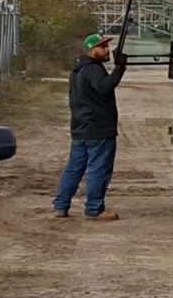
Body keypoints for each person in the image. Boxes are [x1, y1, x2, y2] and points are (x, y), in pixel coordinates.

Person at [53, 33, 127, 221]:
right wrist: (120, 68)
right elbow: (105, 86)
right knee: (98, 169)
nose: (107, 50)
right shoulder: (93, 69)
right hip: (98, 129)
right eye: (103, 47)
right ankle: (94, 209)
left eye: (106, 46)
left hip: (81, 128)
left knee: (74, 168)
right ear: (92, 49)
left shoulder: (77, 70)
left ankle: (61, 206)